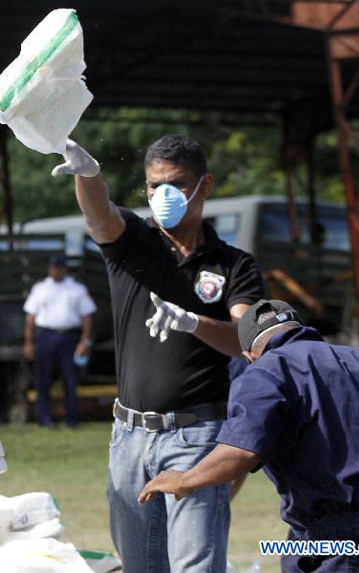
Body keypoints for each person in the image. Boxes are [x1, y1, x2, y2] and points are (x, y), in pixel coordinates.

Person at [52, 134, 265, 572]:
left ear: (204, 186)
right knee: (141, 566)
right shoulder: (135, 241)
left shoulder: (233, 265)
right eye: (153, 186)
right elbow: (99, 216)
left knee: (194, 566)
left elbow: (245, 340)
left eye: (176, 184)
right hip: (128, 436)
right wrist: (89, 175)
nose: (162, 196)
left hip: (197, 436)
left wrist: (193, 322)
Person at [138, 300, 359, 572]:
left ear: (249, 355)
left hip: (352, 542)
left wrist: (185, 479)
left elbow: (242, 451)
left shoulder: (265, 372)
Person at [23, 253, 96, 428]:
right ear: (50, 268)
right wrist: (29, 342)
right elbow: (30, 318)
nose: (57, 270)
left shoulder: (76, 289)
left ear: (65, 269)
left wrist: (84, 342)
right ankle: (45, 418)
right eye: (54, 267)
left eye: (60, 267)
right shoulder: (40, 288)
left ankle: (72, 418)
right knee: (43, 378)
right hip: (45, 335)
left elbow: (87, 317)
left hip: (69, 336)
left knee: (70, 378)